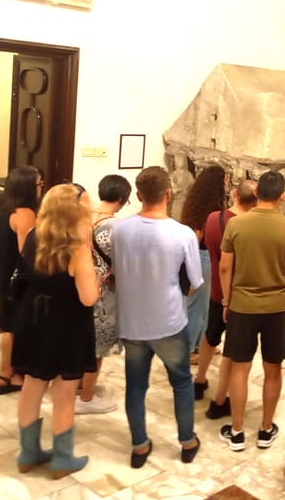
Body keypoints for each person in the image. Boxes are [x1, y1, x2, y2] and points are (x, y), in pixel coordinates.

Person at [112, 166, 203, 467]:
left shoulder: (120, 230)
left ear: (138, 196)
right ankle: (187, 442)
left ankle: (139, 446)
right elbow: (195, 281)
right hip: (168, 321)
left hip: (132, 321)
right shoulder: (183, 233)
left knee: (136, 386)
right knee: (181, 382)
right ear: (169, 194)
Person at [12, 183, 99, 478]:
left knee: (32, 386)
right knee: (64, 393)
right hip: (67, 326)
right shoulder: (77, 249)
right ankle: (62, 458)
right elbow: (88, 297)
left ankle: (28, 453)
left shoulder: (33, 236)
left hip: (34, 319)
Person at [219, 170, 285, 451]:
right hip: (278, 307)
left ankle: (237, 431)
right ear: (283, 196)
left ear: (256, 193)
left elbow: (225, 267)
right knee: (273, 369)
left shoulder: (236, 224)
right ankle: (266, 429)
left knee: (240, 368)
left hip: (242, 305)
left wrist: (227, 301)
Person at [196, 179, 257, 420]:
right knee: (232, 349)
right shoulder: (248, 226)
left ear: (234, 194)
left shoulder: (213, 218)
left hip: (216, 290)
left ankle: (199, 380)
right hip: (238, 295)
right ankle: (220, 400)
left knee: (210, 336)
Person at [76, 174, 132, 415]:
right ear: (121, 199)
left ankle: (78, 385)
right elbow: (123, 264)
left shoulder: (83, 218)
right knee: (97, 348)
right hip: (104, 292)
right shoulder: (115, 228)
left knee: (82, 341)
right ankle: (87, 397)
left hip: (80, 285)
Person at [0, 164, 42, 395]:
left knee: (9, 323)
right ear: (29, 188)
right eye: (39, 184)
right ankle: (9, 374)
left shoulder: (6, 208)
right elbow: (27, 251)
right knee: (16, 326)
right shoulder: (25, 213)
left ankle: (7, 373)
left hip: (6, 273)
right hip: (20, 278)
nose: (41, 188)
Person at [180, 164, 227, 366]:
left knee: (205, 306)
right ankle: (189, 349)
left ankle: (202, 344)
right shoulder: (209, 211)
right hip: (203, 257)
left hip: (205, 256)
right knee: (197, 306)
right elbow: (196, 236)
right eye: (225, 179)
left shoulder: (196, 205)